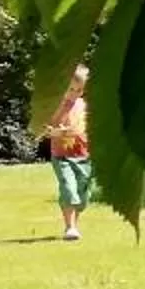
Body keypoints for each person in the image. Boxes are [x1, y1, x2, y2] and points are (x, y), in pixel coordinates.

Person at [45, 66, 92, 242]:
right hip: (62, 155)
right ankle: (69, 227)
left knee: (82, 196)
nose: (74, 93)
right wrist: (54, 132)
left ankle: (74, 224)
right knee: (68, 188)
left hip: (84, 156)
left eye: (79, 90)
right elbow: (46, 128)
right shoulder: (56, 106)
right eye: (71, 89)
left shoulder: (84, 106)